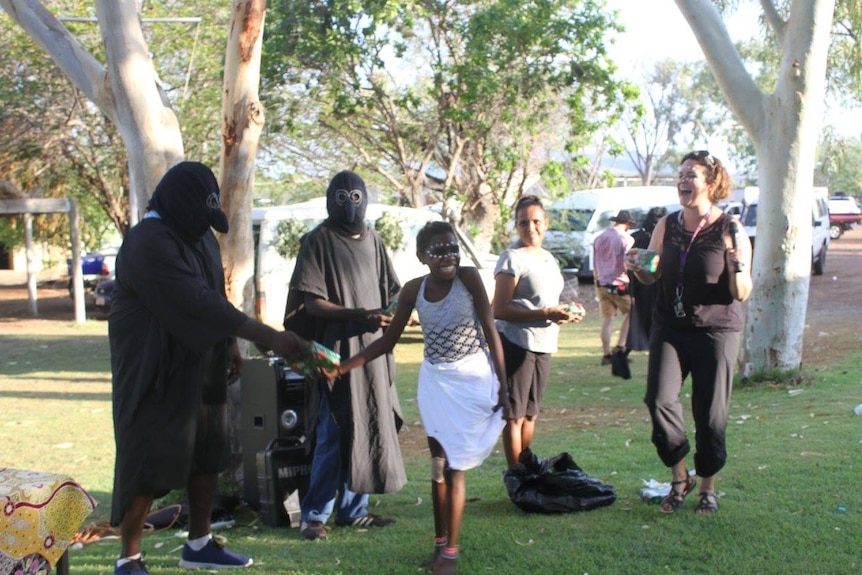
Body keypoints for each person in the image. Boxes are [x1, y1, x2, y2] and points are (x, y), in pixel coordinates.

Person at [109, 161, 309, 575]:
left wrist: (231, 346)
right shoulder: (147, 242)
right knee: (147, 458)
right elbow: (197, 302)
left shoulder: (198, 236)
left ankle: (198, 543)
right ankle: (129, 558)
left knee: (207, 454)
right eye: (200, 216)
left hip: (203, 364)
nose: (206, 225)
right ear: (179, 207)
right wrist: (271, 337)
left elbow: (218, 294)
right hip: (155, 370)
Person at [332, 220, 507, 575]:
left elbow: (490, 330)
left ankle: (451, 557)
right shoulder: (414, 290)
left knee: (456, 467)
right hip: (435, 384)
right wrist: (342, 366)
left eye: (452, 247)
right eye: (438, 250)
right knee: (438, 468)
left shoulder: (469, 278)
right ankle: (440, 546)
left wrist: (505, 385)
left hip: (471, 378)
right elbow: (386, 341)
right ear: (421, 256)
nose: (448, 255)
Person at [283, 170, 407, 542]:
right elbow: (311, 303)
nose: (349, 204)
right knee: (335, 430)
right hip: (337, 353)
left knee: (370, 423)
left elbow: (393, 291)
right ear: (329, 199)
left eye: (356, 197)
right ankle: (314, 515)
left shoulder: (375, 240)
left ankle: (355, 511)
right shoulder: (318, 240)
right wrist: (359, 314)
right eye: (341, 197)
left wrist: (398, 310)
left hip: (373, 351)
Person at [627, 150, 752, 515]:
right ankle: (680, 477)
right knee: (659, 400)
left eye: (691, 175)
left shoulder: (730, 228)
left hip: (717, 329)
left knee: (710, 415)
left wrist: (736, 266)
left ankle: (708, 487)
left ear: (711, 184)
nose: (683, 180)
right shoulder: (667, 224)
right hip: (671, 327)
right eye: (680, 174)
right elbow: (651, 273)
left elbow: (742, 291)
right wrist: (637, 266)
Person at [493, 195, 583, 467]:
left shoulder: (548, 258)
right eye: (523, 223)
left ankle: (527, 465)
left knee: (531, 413)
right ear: (515, 226)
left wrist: (566, 312)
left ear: (546, 223)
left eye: (535, 222)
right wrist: (545, 314)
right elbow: (499, 309)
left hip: (544, 343)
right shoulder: (511, 258)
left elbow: (547, 302)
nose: (530, 228)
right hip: (516, 342)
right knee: (514, 415)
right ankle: (517, 474)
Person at [593, 209, 637, 365]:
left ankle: (606, 355)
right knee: (632, 313)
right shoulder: (626, 239)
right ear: (628, 223)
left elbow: (595, 262)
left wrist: (596, 282)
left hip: (602, 283)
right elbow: (627, 263)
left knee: (607, 319)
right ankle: (620, 347)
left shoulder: (599, 238)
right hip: (619, 282)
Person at [626, 206, 668, 351]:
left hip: (642, 283)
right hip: (650, 283)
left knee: (641, 313)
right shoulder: (660, 238)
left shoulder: (637, 236)